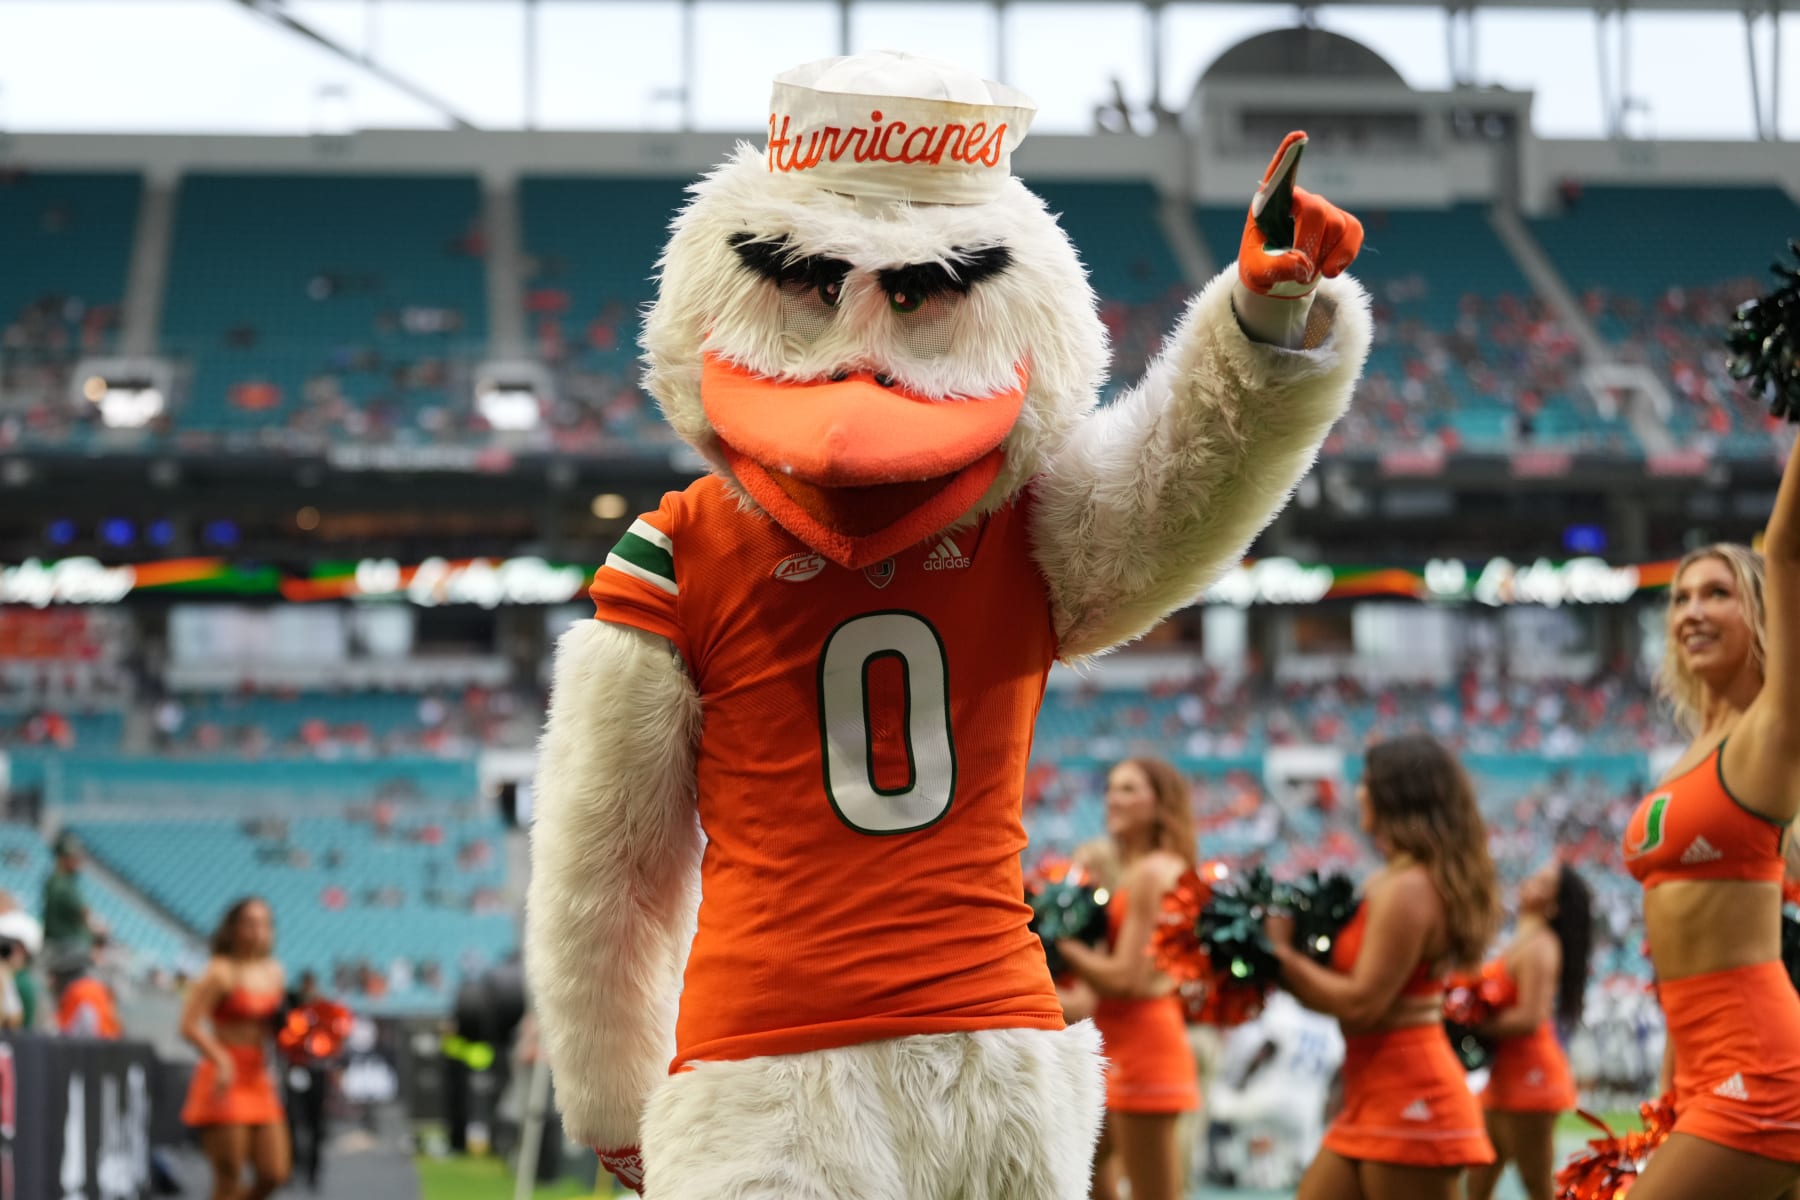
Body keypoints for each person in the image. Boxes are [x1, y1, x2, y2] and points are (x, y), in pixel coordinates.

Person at [1622, 435, 1800, 1200]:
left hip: (1759, 1070)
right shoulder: (1691, 753)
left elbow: (1789, 549)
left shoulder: (1772, 732)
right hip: (1699, 1068)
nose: (1692, 611)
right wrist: (1671, 1088)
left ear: (1759, 607)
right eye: (1682, 597)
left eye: (1718, 593)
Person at [1265, 734, 1499, 1200]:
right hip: (1370, 1090)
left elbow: (1361, 1003)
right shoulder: (1393, 880)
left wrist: (1278, 955)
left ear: (1398, 795)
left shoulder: (1407, 888)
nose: (1358, 793)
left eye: (1368, 783)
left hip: (1411, 1096)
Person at [1056, 758, 1202, 1200]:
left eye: (1128, 790)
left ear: (1160, 806)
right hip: (1117, 1047)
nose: (1111, 799)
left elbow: (1126, 979)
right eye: (1111, 789)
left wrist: (1060, 942)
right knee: (1079, 1174)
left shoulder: (1153, 873)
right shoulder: (1138, 871)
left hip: (1145, 1050)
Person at [1465, 861, 1593, 1200]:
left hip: (1531, 1082)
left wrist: (1472, 1024)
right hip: (1503, 1079)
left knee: (1537, 1187)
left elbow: (1531, 1018)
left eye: (1542, 882)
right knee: (1477, 1183)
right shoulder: (1523, 940)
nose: (1528, 881)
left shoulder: (1541, 946)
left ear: (1554, 906)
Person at [180, 897, 291, 1200]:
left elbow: (274, 1027)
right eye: (250, 923)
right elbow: (188, 1026)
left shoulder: (274, 972)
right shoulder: (219, 971)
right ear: (234, 929)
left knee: (274, 1172)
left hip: (258, 1076)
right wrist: (220, 1058)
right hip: (224, 1077)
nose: (259, 931)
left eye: (265, 924)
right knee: (228, 1176)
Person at [283, 970, 334, 1192]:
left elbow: (334, 1039)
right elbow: (285, 1037)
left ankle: (313, 1173)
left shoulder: (325, 1012)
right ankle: (294, 1169)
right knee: (292, 1123)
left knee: (316, 1125)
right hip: (296, 1069)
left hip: (316, 1071)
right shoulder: (292, 1010)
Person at [41, 830, 98, 966]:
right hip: (67, 945)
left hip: (61, 944)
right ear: (63, 858)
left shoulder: (56, 881)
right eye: (74, 857)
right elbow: (84, 912)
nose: (78, 861)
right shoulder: (63, 884)